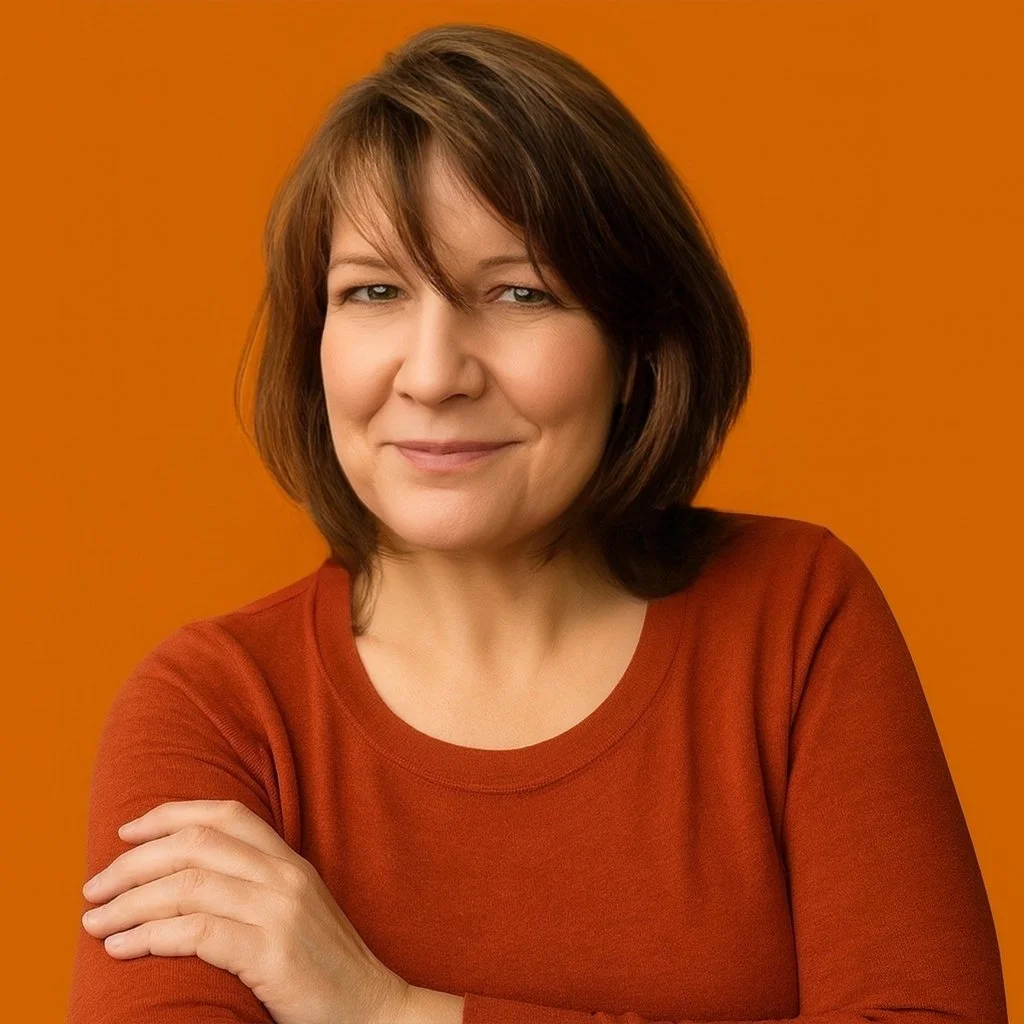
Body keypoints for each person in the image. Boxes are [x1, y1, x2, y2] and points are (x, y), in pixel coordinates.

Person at [67, 21, 1007, 1024]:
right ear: (315, 343)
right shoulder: (217, 711)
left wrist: (391, 1012)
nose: (431, 375)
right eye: (373, 291)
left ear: (636, 345)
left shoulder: (795, 618)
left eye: (517, 292)